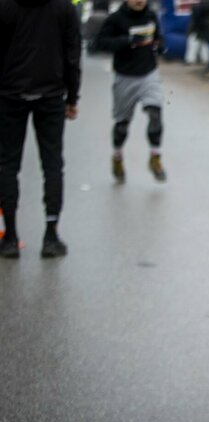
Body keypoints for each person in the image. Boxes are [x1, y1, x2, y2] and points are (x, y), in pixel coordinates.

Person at [0, 0, 81, 258]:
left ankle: (10, 236)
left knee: (7, 165)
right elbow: (72, 53)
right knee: (52, 165)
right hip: (51, 95)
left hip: (10, 95)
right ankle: (51, 235)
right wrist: (72, 97)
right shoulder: (64, 7)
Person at [96, 0, 167, 183]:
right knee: (122, 126)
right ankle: (117, 156)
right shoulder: (116, 19)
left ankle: (155, 157)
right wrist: (126, 41)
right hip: (125, 77)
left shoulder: (151, 16)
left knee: (155, 115)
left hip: (149, 74)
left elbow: (158, 37)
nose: (139, 1)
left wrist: (160, 46)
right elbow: (100, 42)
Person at [188, 0, 209, 71]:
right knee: (205, 44)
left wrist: (197, 7)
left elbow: (205, 9)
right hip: (205, 26)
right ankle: (205, 61)